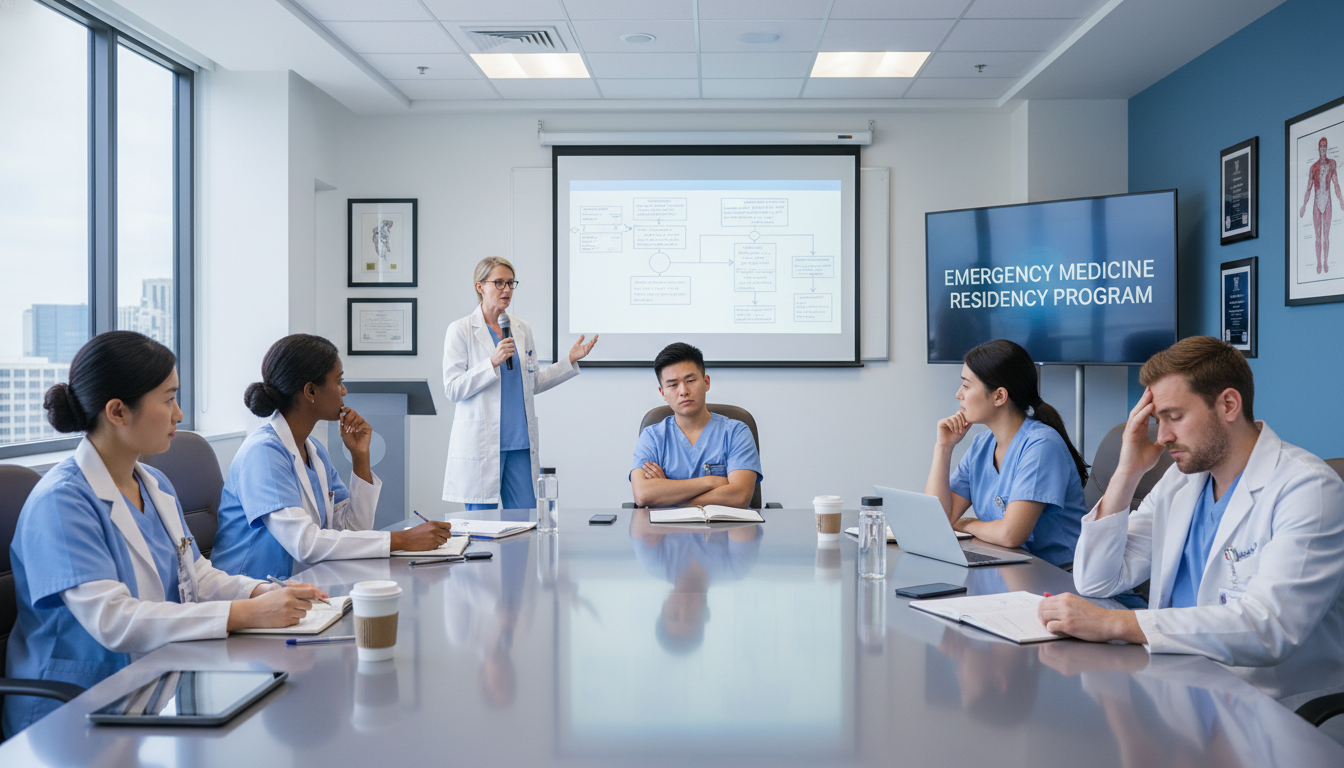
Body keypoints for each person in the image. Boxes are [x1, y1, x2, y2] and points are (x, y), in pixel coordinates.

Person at [3, 332, 328, 737]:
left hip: (154, 683)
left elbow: (197, 575)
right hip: (73, 710)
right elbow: (114, 620)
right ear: (118, 412)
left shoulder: (153, 483)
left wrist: (261, 593)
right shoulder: (61, 503)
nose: (179, 413)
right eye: (168, 398)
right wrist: (244, 614)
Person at [1039, 336, 1344, 701]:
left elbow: (1268, 628)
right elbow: (1096, 580)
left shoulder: (1308, 489)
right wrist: (1126, 472)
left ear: (1229, 404)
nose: (1163, 436)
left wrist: (1114, 623)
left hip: (1268, 711)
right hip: (1175, 686)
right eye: (1157, 419)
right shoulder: (1182, 481)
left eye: (1175, 417)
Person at [211, 334, 451, 580]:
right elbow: (304, 544)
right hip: (251, 592)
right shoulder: (263, 454)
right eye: (339, 381)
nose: (344, 390)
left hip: (301, 585)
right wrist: (401, 539)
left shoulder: (313, 450)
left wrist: (360, 457)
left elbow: (354, 530)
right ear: (311, 390)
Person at [442, 256, 597, 509]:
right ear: (480, 286)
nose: (507, 290)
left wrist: (569, 360)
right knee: (482, 527)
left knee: (525, 522)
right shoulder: (461, 330)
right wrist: (491, 362)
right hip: (482, 443)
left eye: (511, 283)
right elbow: (453, 389)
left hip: (520, 443)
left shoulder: (521, 328)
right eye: (499, 283)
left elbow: (533, 382)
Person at [924, 339, 1089, 567]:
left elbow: (1010, 535)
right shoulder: (982, 445)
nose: (958, 394)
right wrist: (943, 448)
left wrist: (965, 524)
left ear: (999, 396)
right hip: (1013, 569)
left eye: (966, 385)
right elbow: (937, 520)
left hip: (1061, 577)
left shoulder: (1042, 445)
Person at [630, 342, 762, 509]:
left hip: (726, 530)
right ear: (663, 393)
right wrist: (711, 481)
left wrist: (669, 494)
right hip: (667, 533)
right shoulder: (652, 437)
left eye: (690, 380)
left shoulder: (736, 432)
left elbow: (739, 497)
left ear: (706, 382)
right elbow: (643, 495)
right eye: (672, 385)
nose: (683, 391)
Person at [1299, 136, 1343, 274]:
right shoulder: (1314, 167)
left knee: (1326, 235)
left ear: (1327, 148)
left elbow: (1336, 184)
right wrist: (1304, 205)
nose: (1323, 148)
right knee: (1318, 236)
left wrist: (1341, 200)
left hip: (1327, 201)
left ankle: (1325, 262)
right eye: (1321, 146)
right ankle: (1318, 263)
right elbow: (1308, 188)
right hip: (1317, 202)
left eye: (1325, 146)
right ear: (1318, 149)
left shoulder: (1332, 164)